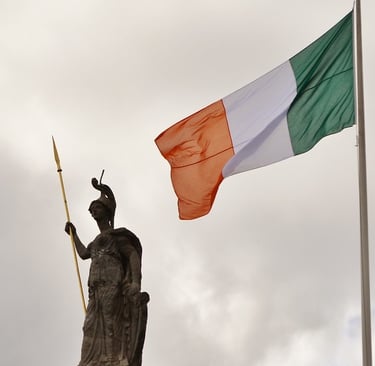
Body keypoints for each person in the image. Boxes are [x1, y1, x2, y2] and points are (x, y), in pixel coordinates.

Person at [65, 177, 149, 366]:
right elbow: (84, 253)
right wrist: (74, 234)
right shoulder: (95, 242)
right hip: (94, 290)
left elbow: (133, 255)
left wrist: (135, 282)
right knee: (89, 326)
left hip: (112, 285)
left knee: (111, 321)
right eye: (92, 209)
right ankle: (89, 360)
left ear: (107, 211)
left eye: (97, 207)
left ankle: (113, 359)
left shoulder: (116, 236)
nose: (93, 211)